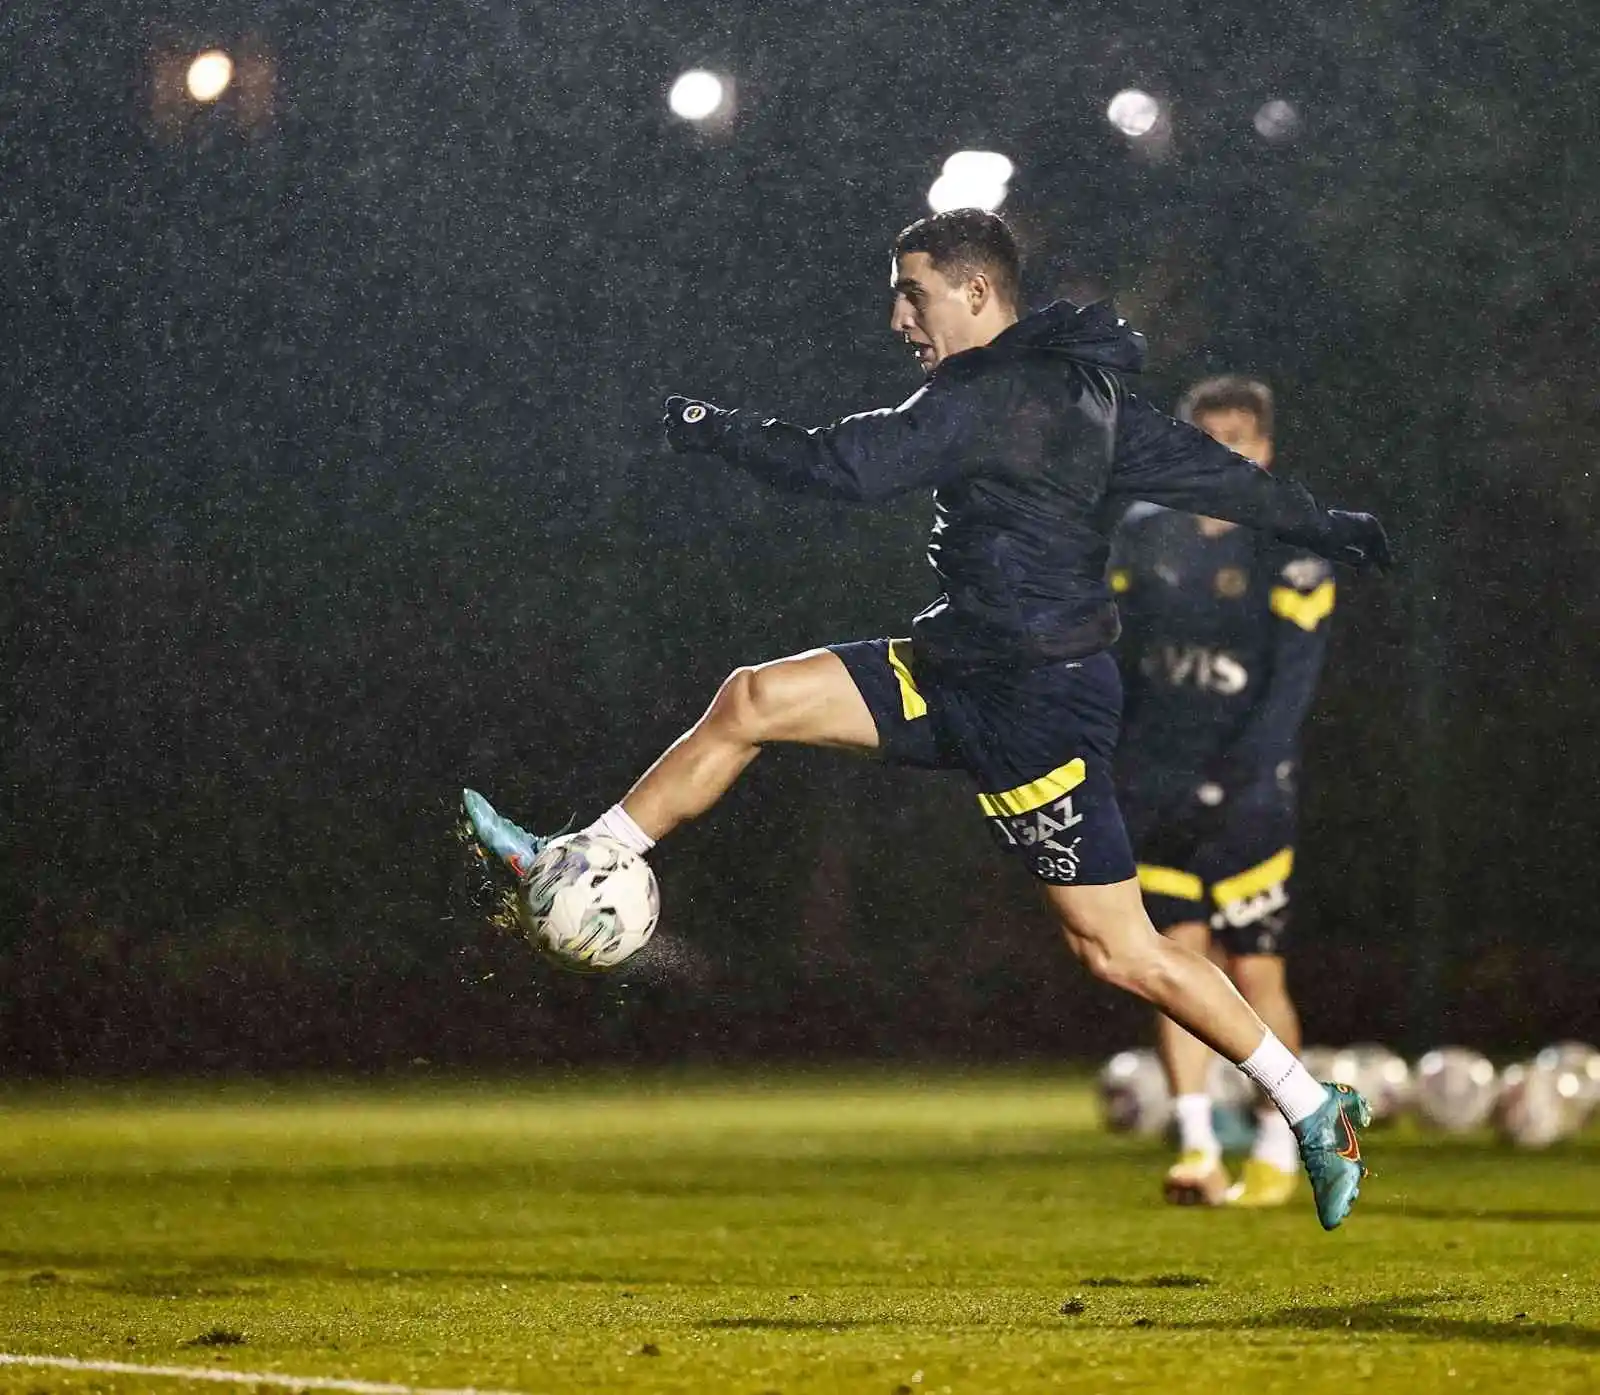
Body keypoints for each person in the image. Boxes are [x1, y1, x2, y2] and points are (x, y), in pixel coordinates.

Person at [463, 209, 1389, 1230]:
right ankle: (575, 852)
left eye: (915, 292)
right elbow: (1216, 476)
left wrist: (704, 427)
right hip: (959, 666)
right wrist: (1332, 525)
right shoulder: (1086, 392)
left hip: (1035, 705)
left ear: (978, 294)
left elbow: (843, 468)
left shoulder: (990, 396)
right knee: (752, 698)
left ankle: (1311, 1107)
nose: (898, 314)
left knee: (1123, 954)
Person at [1110, 376, 1334, 1208]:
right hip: (1154, 787)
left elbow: (1290, 688)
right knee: (1171, 964)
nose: (1224, 452)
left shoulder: (1291, 543)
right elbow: (1118, 659)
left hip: (1248, 795)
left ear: (1266, 449)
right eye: (1208, 436)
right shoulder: (1144, 534)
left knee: (1255, 966)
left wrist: (1241, 773)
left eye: (1240, 437)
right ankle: (1199, 1146)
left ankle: (1282, 1143)